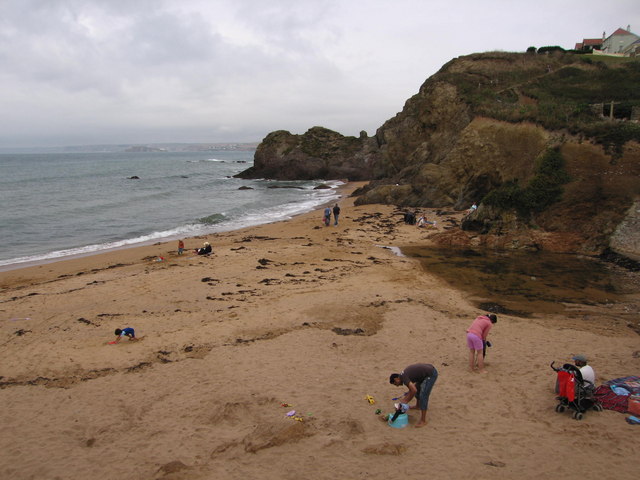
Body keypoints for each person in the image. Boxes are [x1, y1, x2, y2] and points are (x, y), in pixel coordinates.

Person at [389, 363, 438, 428]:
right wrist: (404, 399)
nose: (397, 386)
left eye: (396, 384)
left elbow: (413, 390)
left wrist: (405, 401)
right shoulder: (402, 376)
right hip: (426, 372)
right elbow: (412, 390)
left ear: (396, 379)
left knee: (423, 396)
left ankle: (423, 420)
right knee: (418, 387)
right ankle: (418, 406)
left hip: (430, 374)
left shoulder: (404, 378)